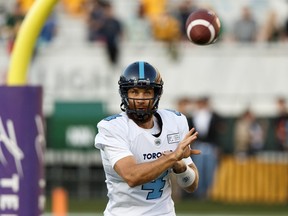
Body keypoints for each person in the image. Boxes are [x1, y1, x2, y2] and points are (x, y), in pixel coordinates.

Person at [94, 61, 200, 216]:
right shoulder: (112, 127)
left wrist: (181, 168)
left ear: (156, 94)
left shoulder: (175, 121)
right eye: (135, 92)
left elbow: (191, 186)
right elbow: (132, 176)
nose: (141, 99)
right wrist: (172, 158)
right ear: (125, 94)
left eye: (147, 92)